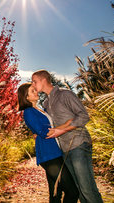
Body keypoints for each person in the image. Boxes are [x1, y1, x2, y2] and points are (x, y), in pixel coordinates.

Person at [31, 70, 103, 203]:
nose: (33, 85)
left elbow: (83, 116)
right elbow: (49, 126)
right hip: (63, 150)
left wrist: (60, 131)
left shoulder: (65, 94)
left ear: (43, 80)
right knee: (79, 190)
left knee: (87, 189)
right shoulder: (46, 104)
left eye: (34, 81)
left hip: (78, 144)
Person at [18, 83, 79, 203]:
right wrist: (68, 124)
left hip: (56, 153)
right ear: (26, 97)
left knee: (55, 193)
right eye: (32, 91)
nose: (36, 92)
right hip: (49, 156)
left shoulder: (41, 109)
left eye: (35, 90)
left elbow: (50, 127)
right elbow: (45, 132)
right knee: (73, 192)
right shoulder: (29, 111)